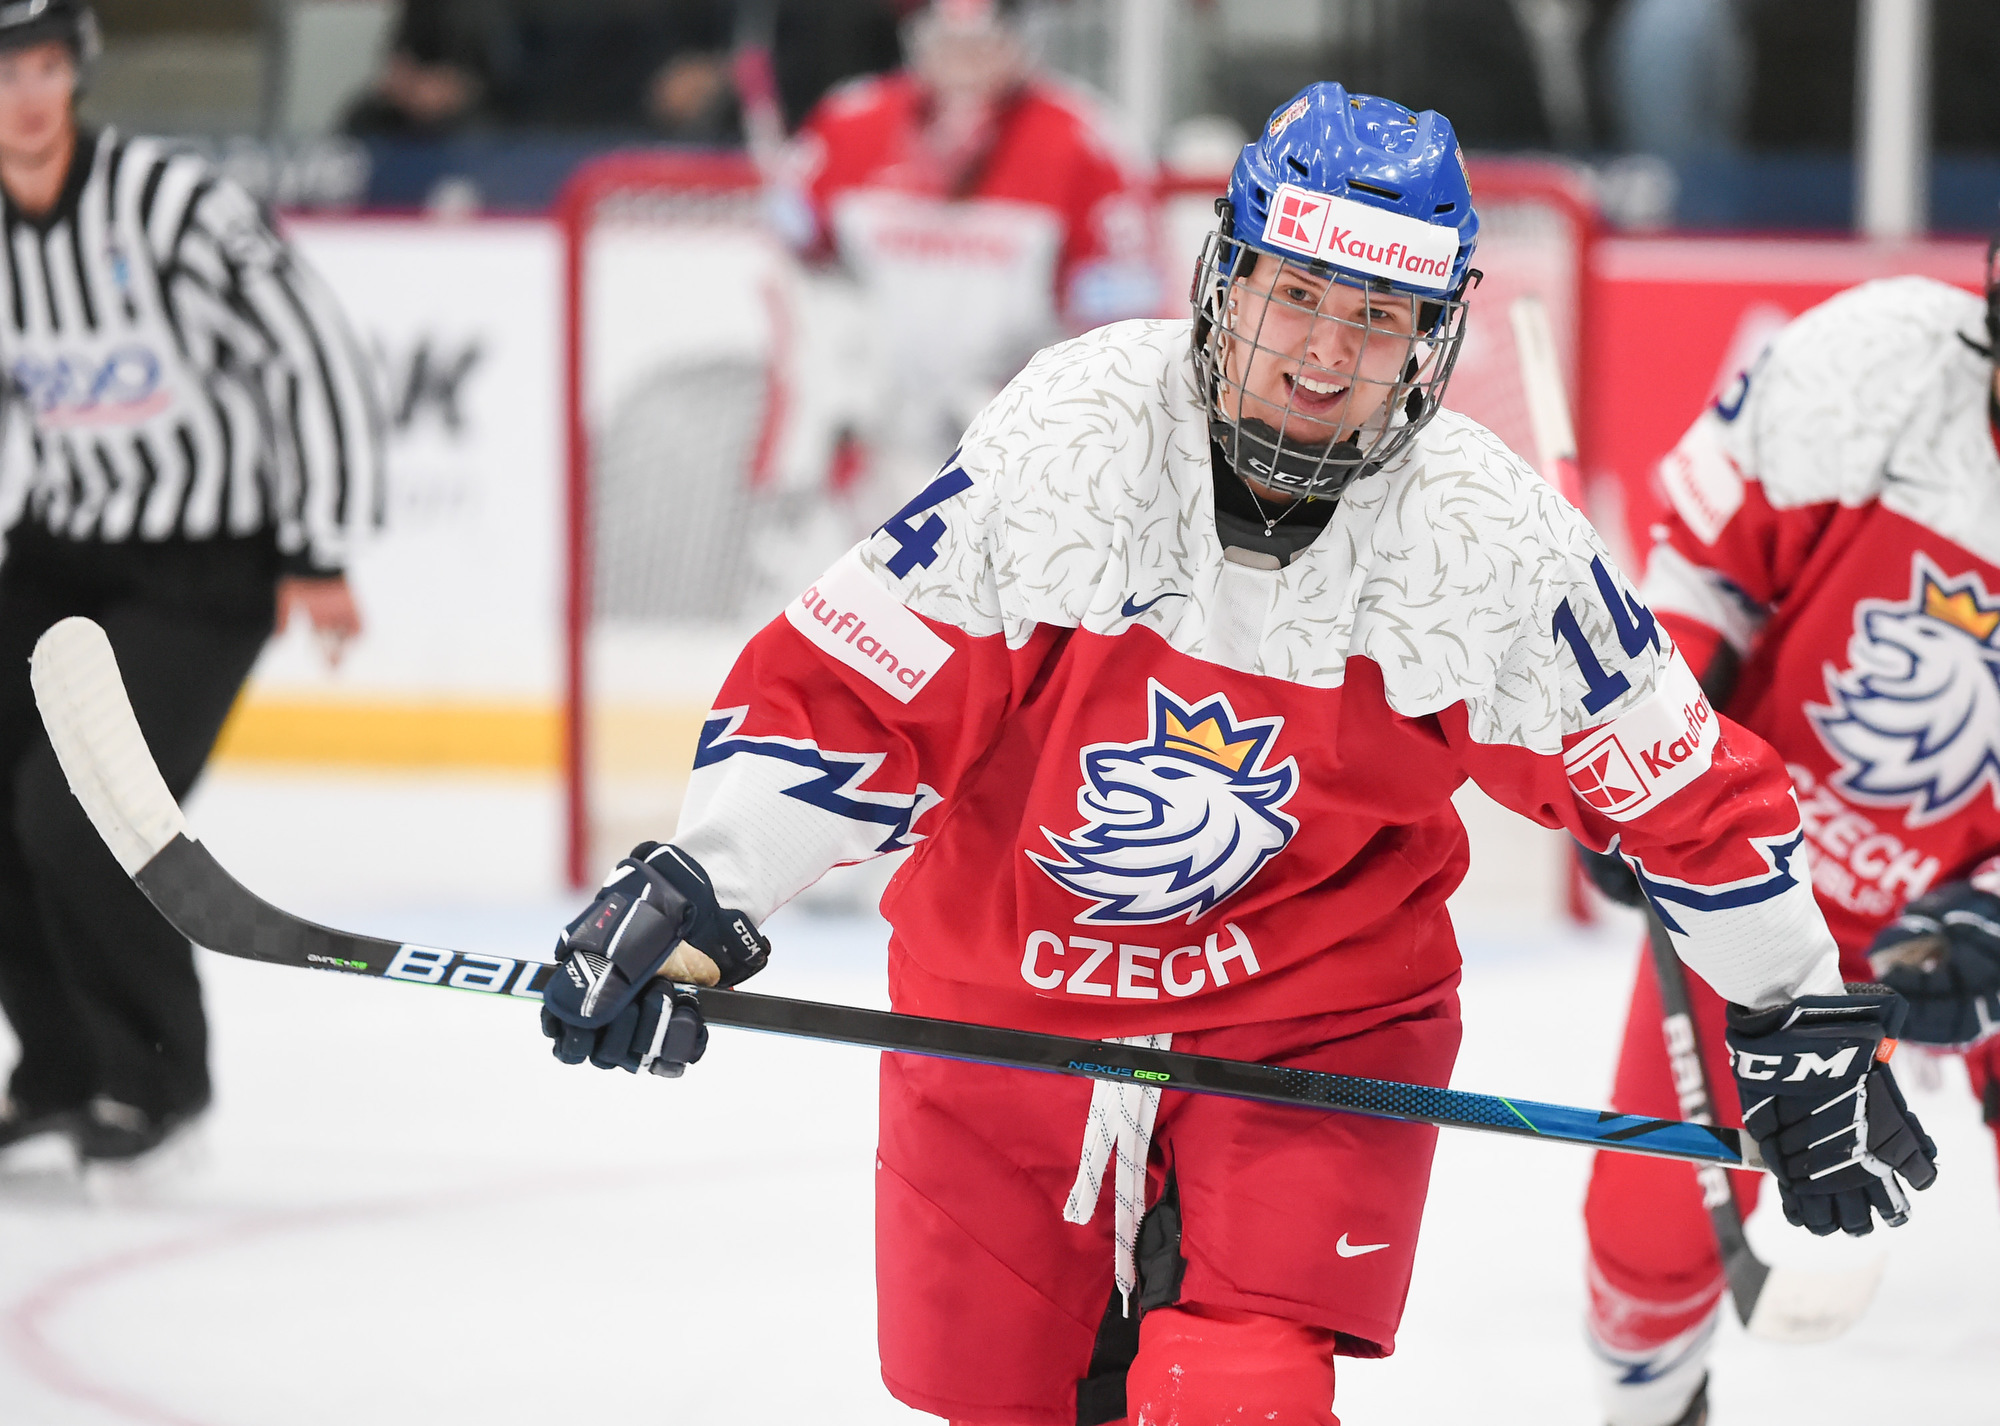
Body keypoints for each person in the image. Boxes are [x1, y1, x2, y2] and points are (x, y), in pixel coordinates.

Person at [540, 82, 1934, 1423]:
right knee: (1001, 1401)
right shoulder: (1079, 437)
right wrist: (700, 886)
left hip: (1315, 1015)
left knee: (1242, 1396)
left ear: (1433, 341)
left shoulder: (1482, 538)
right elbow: (864, 683)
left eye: (1378, 317)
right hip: (1006, 998)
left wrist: (1797, 1018)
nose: (1327, 355)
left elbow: (1685, 793)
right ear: (1226, 280)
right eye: (1300, 298)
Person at [1577, 260, 2000, 1426]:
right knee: (1642, 1238)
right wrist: (1650, 737)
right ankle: (1655, 1408)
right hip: (1761, 871)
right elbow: (1701, 564)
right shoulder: (1873, 361)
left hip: (1976, 891)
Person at [0, 1, 382, 1171]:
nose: (26, 94)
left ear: (78, 75)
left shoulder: (170, 205)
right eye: (5, 70)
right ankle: (62, 1064)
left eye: (48, 66)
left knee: (78, 817)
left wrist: (318, 549)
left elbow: (312, 347)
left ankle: (158, 1074)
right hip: (61, 545)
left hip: (203, 565)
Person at [787, 0, 1156, 496]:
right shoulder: (848, 123)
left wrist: (1034, 404)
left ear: (1022, 40)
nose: (963, 63)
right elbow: (793, 265)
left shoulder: (1086, 143)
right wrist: (839, 384)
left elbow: (1124, 325)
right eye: (946, 43)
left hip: (1016, 446)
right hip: (875, 439)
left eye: (982, 43)